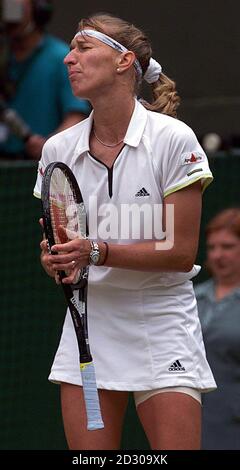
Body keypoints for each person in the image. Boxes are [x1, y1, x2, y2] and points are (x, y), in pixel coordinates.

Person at [33, 12, 216, 450]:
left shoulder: (174, 139)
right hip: (89, 325)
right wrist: (56, 260)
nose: (68, 59)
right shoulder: (58, 149)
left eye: (82, 47)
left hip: (162, 320)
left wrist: (94, 250)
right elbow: (61, 247)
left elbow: (179, 250)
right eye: (70, 50)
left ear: (123, 61)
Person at [0, 0, 90, 160]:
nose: (10, 14)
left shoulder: (59, 57)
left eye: (16, 8)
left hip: (37, 163)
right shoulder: (4, 55)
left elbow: (76, 117)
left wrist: (49, 145)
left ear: (39, 11)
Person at [195, 208, 240, 450]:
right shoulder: (191, 299)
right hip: (191, 420)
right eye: (212, 247)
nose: (218, 255)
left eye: (228, 246)